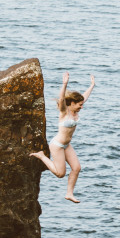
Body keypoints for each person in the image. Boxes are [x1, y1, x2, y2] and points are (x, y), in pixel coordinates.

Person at [30, 71, 95, 203]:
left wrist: (92, 85)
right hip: (58, 145)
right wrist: (64, 84)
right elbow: (61, 99)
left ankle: (69, 193)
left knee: (76, 168)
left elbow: (84, 97)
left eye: (82, 104)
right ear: (71, 103)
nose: (82, 106)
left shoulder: (75, 110)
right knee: (60, 174)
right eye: (80, 104)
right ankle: (42, 156)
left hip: (67, 145)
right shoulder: (64, 112)